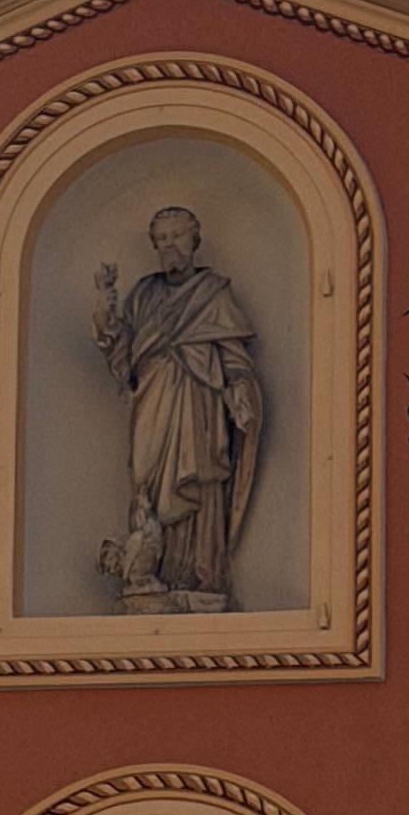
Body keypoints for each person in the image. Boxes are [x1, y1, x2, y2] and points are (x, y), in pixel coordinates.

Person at [93, 206, 263, 609]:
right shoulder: (143, 295)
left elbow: (235, 359)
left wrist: (241, 392)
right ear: (154, 246)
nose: (170, 245)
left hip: (199, 405)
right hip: (152, 400)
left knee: (198, 484)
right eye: (162, 239)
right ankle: (147, 573)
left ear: (194, 240)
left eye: (177, 236)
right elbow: (124, 360)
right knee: (147, 481)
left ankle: (199, 577)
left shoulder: (213, 294)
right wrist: (106, 310)